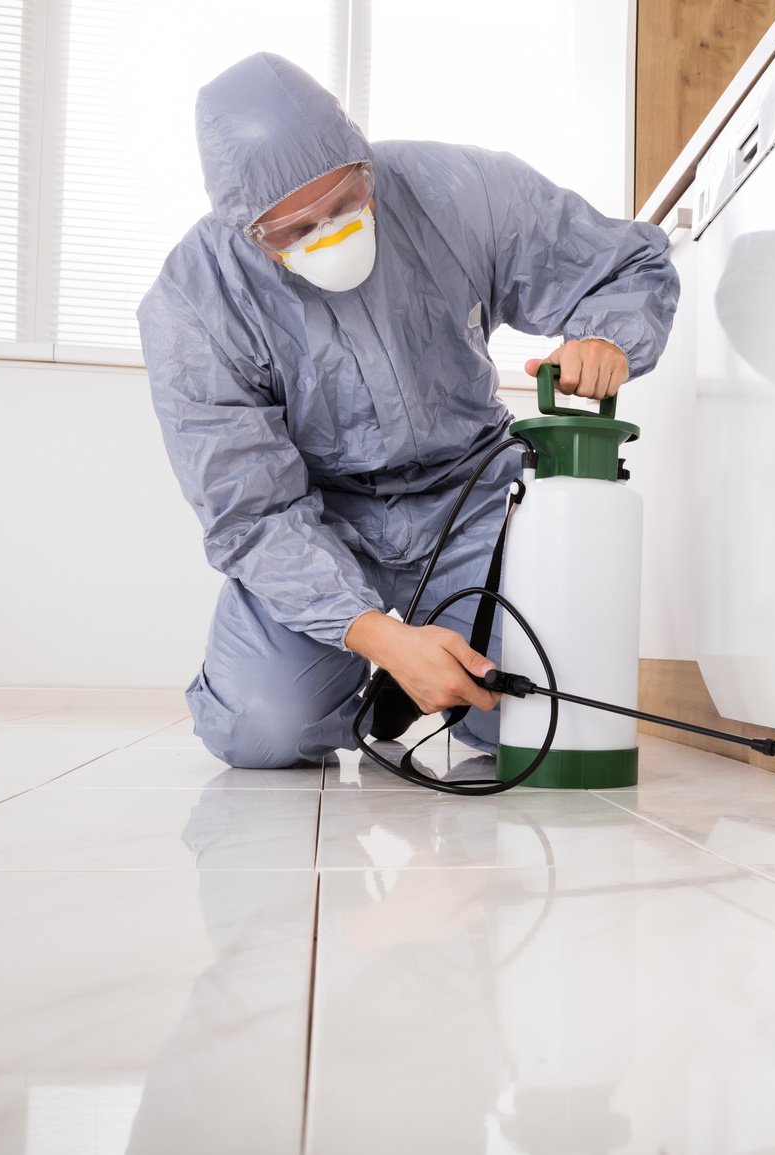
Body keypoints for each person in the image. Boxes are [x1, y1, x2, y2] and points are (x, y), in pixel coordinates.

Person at [138, 52, 679, 770]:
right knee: (261, 728)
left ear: (364, 161)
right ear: (244, 231)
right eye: (292, 231)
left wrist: (608, 336)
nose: (328, 235)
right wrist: (380, 636)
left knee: (528, 718)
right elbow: (252, 514)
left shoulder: (459, 192)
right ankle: (382, 671)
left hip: (472, 498)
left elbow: (625, 265)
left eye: (344, 203)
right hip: (319, 520)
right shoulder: (193, 304)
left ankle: (429, 660)